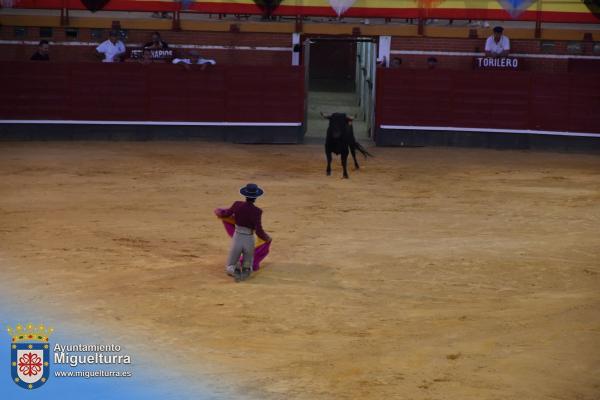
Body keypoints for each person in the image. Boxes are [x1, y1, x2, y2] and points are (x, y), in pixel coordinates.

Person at [215, 183, 271, 280]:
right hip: (249, 239)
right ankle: (246, 271)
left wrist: (218, 211)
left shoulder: (237, 204)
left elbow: (226, 214)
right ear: (256, 197)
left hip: (237, 237)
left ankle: (234, 270)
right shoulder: (257, 211)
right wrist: (267, 238)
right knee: (248, 265)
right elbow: (259, 230)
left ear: (245, 195)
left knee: (230, 265)